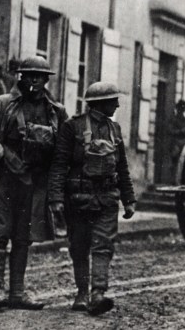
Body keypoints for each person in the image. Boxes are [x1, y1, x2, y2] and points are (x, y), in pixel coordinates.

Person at [0, 56, 67, 311]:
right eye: (29, 75)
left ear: (46, 79)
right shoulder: (3, 104)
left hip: (35, 183)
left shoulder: (56, 111)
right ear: (21, 76)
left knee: (23, 237)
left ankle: (17, 292)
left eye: (39, 76)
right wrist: (4, 155)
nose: (34, 80)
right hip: (4, 181)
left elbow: (64, 149)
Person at [48, 82, 136, 315]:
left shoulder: (115, 129)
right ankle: (82, 293)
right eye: (113, 101)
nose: (117, 105)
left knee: (103, 245)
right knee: (79, 246)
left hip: (107, 198)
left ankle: (98, 293)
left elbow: (122, 167)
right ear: (100, 103)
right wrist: (56, 198)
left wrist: (128, 199)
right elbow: (59, 164)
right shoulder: (72, 127)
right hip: (78, 199)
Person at [168, 99, 185, 184]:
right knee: (174, 162)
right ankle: (173, 180)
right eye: (181, 108)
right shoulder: (173, 119)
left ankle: (180, 180)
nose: (182, 111)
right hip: (175, 143)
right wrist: (182, 131)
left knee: (182, 163)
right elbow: (170, 131)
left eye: (183, 109)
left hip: (183, 143)